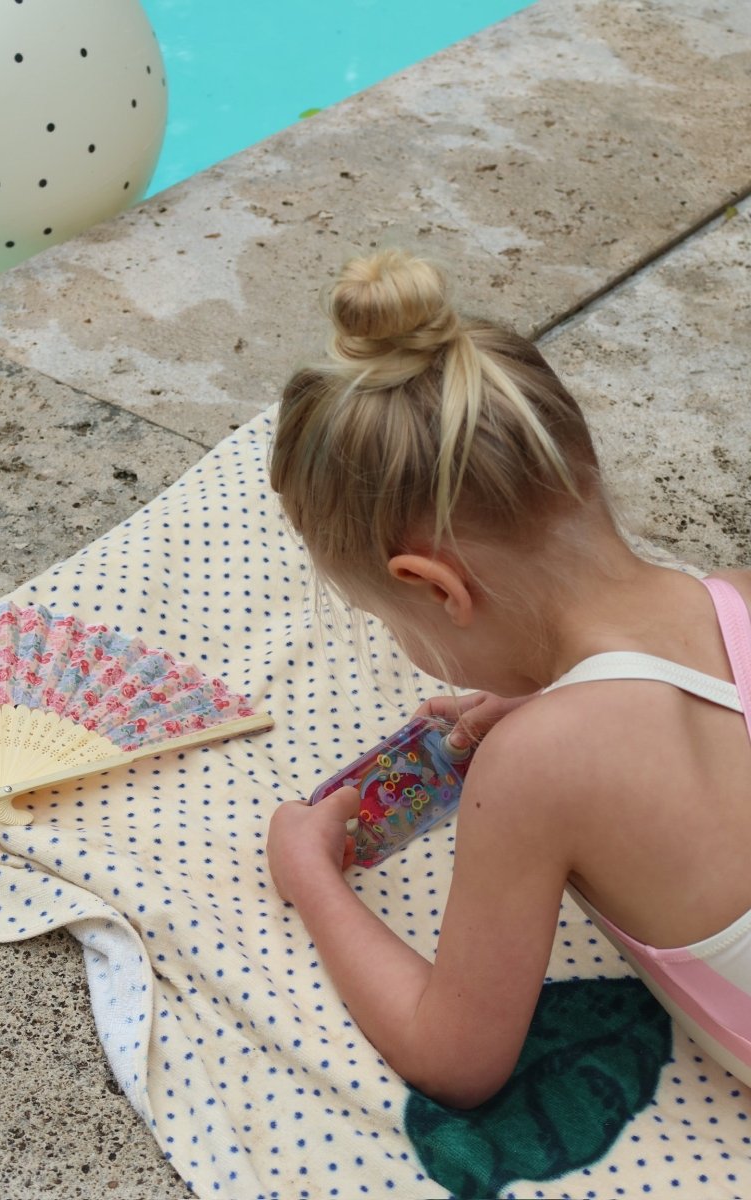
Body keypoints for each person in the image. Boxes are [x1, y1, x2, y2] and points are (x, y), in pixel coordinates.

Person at [265, 248, 751, 1108]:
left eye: (387, 619)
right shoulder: (737, 595)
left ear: (435, 588)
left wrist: (310, 875)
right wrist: (562, 696)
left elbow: (454, 1059)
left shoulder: (531, 768)